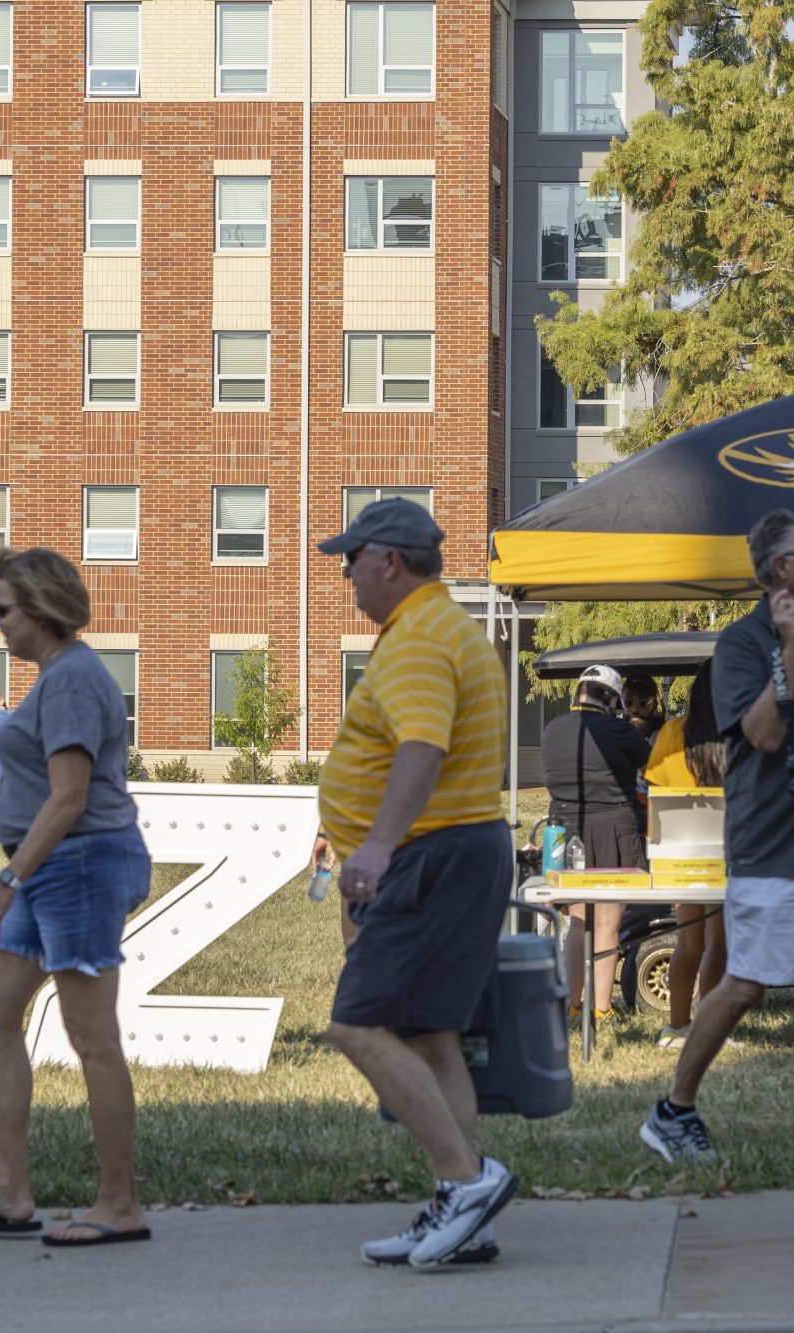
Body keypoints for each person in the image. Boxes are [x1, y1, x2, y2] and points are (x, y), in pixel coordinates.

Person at [641, 510, 794, 1164]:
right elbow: (763, 735)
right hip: (779, 848)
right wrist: (787, 652)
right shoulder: (743, 644)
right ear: (782, 567)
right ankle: (675, 1108)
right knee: (746, 983)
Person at [316, 499, 518, 1271]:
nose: (346, 576)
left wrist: (374, 846)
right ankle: (466, 1212)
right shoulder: (439, 627)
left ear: (390, 561)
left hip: (430, 857)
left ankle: (467, 1183)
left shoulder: (418, 642)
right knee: (433, 1036)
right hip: (457, 850)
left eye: (351, 560)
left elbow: (423, 748)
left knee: (357, 1022)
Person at [0, 546, 153, 1248]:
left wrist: (3, 883)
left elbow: (69, 797)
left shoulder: (70, 681)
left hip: (78, 862)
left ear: (41, 609)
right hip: (47, 866)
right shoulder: (59, 676)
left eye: (4, 609)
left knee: (93, 1037)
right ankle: (8, 1191)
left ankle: (119, 1203)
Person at [539, 665, 652, 1020]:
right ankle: (602, 1007)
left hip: (564, 831)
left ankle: (574, 1003)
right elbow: (650, 764)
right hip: (615, 828)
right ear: (610, 698)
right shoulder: (619, 730)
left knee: (578, 919)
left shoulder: (552, 729)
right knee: (608, 920)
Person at [641, 663, 727, 1051]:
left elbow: (655, 792)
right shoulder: (739, 733)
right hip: (726, 852)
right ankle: (708, 1030)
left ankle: (677, 1027)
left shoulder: (673, 731)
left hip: (676, 852)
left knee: (689, 943)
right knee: (719, 944)